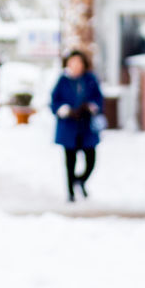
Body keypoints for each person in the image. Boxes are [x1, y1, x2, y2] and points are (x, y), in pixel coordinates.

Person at [50, 49, 104, 203]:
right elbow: (54, 101)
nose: (75, 66)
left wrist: (92, 107)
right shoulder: (63, 80)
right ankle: (70, 191)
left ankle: (80, 180)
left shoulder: (90, 79)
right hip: (69, 126)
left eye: (78, 62)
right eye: (72, 62)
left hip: (86, 127)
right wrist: (64, 110)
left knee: (91, 160)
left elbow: (98, 98)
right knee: (70, 161)